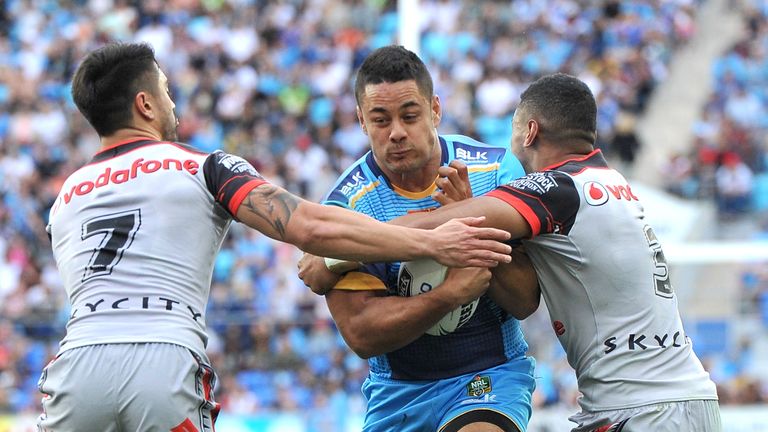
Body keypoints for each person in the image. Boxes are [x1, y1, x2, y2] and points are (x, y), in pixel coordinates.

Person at [37, 42, 516, 432]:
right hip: (161, 357)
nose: (173, 103)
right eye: (165, 90)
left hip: (76, 365)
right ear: (145, 104)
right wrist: (434, 242)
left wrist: (326, 262)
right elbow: (310, 229)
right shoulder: (201, 165)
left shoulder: (64, 198)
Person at [391, 73, 722, 431]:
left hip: (645, 408)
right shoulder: (608, 182)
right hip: (670, 399)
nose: (512, 146)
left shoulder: (557, 189)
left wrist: (334, 247)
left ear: (530, 132)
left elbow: (435, 225)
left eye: (514, 132)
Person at [297, 45, 540, 432]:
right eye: (380, 120)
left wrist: (473, 228)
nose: (396, 133)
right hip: (398, 393)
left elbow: (526, 300)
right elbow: (361, 334)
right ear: (361, 121)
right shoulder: (346, 206)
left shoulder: (494, 171)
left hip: (489, 375)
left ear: (435, 111)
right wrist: (448, 294)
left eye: (410, 116)